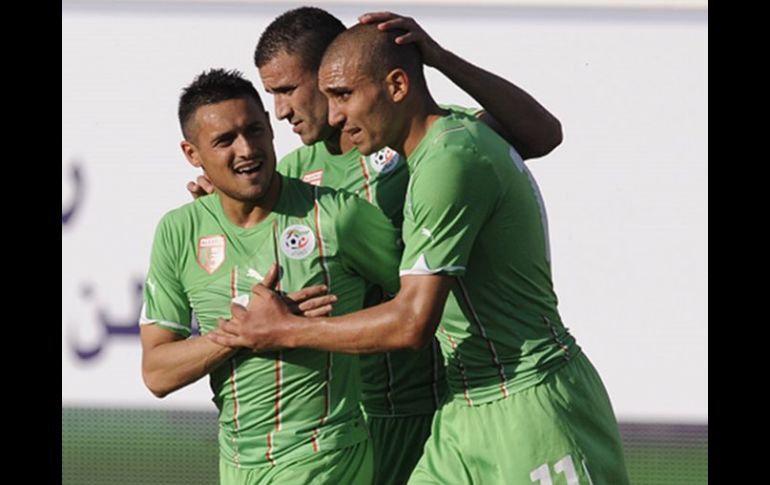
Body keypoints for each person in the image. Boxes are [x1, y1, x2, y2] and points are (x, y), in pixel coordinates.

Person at [209, 24, 630, 484]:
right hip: (454, 407)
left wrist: (287, 331)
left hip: (525, 394)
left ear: (394, 84)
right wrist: (229, 201)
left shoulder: (452, 150)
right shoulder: (307, 173)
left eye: (339, 93)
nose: (327, 113)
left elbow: (412, 321)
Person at [140, 68, 405, 484]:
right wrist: (241, 334)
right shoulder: (178, 231)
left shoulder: (339, 216)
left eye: (254, 130)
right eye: (225, 141)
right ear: (193, 155)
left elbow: (417, 308)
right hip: (235, 464)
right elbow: (157, 372)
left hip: (327, 457)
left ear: (269, 126)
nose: (247, 149)